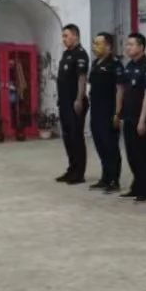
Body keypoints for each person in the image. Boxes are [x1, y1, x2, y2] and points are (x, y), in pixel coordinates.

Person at [117, 32, 146, 201]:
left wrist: (142, 120)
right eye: (127, 44)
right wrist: (119, 113)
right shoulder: (129, 66)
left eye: (131, 44)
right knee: (131, 153)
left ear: (141, 47)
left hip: (140, 118)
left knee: (142, 154)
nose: (128, 47)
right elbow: (122, 90)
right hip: (128, 116)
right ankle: (136, 185)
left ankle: (144, 190)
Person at [86, 32, 124, 192]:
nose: (94, 47)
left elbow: (120, 89)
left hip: (109, 111)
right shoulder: (95, 63)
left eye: (98, 43)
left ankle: (114, 180)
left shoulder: (115, 64)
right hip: (96, 110)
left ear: (108, 46)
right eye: (94, 43)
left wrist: (118, 113)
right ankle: (105, 177)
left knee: (110, 146)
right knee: (100, 144)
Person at [55, 23, 89, 184]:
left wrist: (79, 99)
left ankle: (79, 173)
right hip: (64, 102)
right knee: (68, 138)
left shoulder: (80, 54)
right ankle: (72, 169)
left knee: (76, 137)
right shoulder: (66, 54)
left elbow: (82, 78)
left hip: (75, 103)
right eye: (63, 36)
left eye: (66, 36)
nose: (64, 39)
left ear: (75, 36)